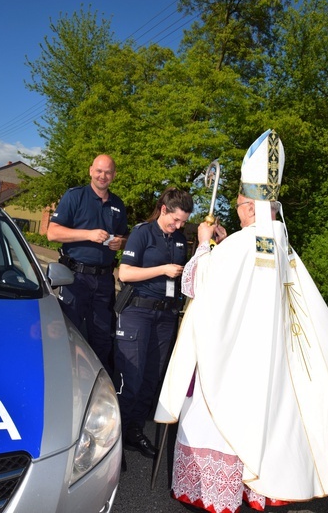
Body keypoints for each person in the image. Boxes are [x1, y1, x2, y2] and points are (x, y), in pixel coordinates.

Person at [155, 130, 328, 513]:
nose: (237, 208)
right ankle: (251, 486)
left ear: (251, 207)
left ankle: (212, 493)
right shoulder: (280, 242)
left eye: (239, 202)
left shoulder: (240, 245)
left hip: (231, 359)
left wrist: (205, 242)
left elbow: (196, 282)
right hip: (265, 359)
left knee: (218, 420)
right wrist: (225, 242)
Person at [114, 186, 194, 463]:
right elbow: (124, 272)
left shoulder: (181, 240)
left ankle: (133, 432)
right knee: (131, 379)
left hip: (166, 316)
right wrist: (162, 269)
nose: (179, 225)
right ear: (163, 210)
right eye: (176, 220)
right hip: (138, 312)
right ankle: (113, 440)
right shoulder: (142, 233)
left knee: (151, 379)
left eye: (183, 221)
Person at [47, 154, 128, 377]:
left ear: (114, 175)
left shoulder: (118, 205)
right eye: (99, 171)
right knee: (66, 332)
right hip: (74, 277)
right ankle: (60, 377)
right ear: (91, 170)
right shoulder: (75, 196)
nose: (103, 176)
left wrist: (119, 243)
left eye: (108, 172)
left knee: (102, 337)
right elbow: (52, 232)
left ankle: (96, 387)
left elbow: (122, 238)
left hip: (103, 281)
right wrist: (88, 234)